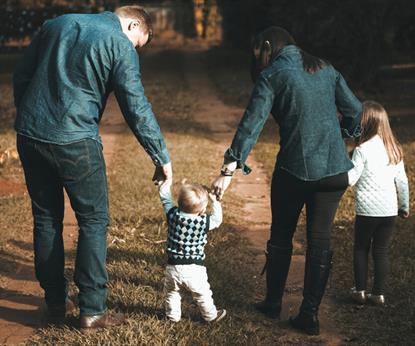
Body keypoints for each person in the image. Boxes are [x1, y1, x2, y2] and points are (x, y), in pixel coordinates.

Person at [13, 6, 172, 328]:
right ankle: (93, 309)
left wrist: (30, 117)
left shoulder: (55, 23)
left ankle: (55, 303)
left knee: (46, 218)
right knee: (93, 220)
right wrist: (160, 156)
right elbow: (136, 107)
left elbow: (22, 75)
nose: (134, 49)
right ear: (132, 23)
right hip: (76, 142)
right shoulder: (119, 44)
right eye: (138, 42)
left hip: (30, 135)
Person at [211, 27, 362, 335]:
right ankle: (310, 315)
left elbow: (250, 126)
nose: (261, 62)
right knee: (320, 240)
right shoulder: (325, 67)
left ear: (268, 47)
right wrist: (345, 134)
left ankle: (272, 303)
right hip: (334, 172)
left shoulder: (273, 74)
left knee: (281, 235)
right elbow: (355, 110)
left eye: (260, 55)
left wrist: (227, 172)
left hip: (294, 171)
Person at [348, 101, 409, 306]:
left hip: (367, 211)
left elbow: (351, 179)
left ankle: (360, 291)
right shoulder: (394, 150)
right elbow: (402, 181)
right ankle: (379, 294)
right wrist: (404, 206)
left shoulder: (362, 150)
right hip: (389, 210)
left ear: (365, 123)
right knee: (381, 251)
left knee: (361, 249)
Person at [158, 181, 226, 322]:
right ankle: (211, 316)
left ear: (179, 202)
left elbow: (165, 200)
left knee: (172, 293)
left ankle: (172, 317)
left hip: (173, 267)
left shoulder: (172, 215)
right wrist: (215, 202)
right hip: (195, 269)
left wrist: (163, 185)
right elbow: (217, 220)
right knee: (202, 294)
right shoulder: (203, 222)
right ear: (201, 210)